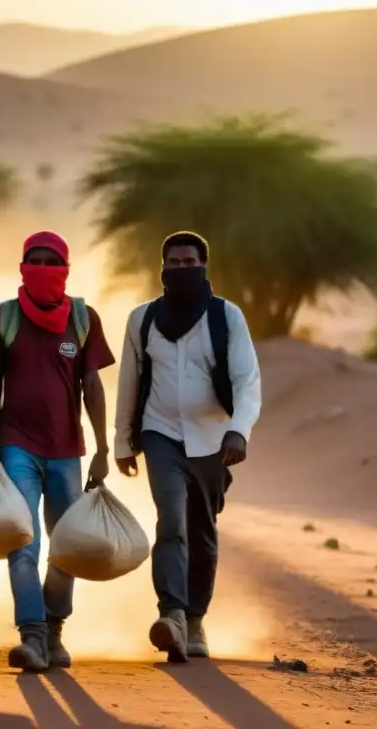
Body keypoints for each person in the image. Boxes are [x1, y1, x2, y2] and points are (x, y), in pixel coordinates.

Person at [114, 231, 261, 663]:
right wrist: (124, 440)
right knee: (171, 522)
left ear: (203, 266)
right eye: (173, 263)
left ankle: (196, 621)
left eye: (189, 262)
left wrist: (239, 431)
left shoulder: (225, 317)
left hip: (213, 439)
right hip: (160, 434)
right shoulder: (142, 319)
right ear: (162, 268)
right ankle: (173, 615)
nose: (181, 269)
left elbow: (247, 380)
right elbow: (130, 382)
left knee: (203, 530)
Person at [0, 231, 115, 673]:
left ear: (66, 268)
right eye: (32, 260)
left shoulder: (83, 318)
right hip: (16, 443)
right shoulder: (5, 317)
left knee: (67, 545)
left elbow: (91, 385)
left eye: (50, 261)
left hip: (68, 450)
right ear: (21, 266)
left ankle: (55, 629)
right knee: (23, 540)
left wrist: (103, 447)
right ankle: (32, 635)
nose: (41, 268)